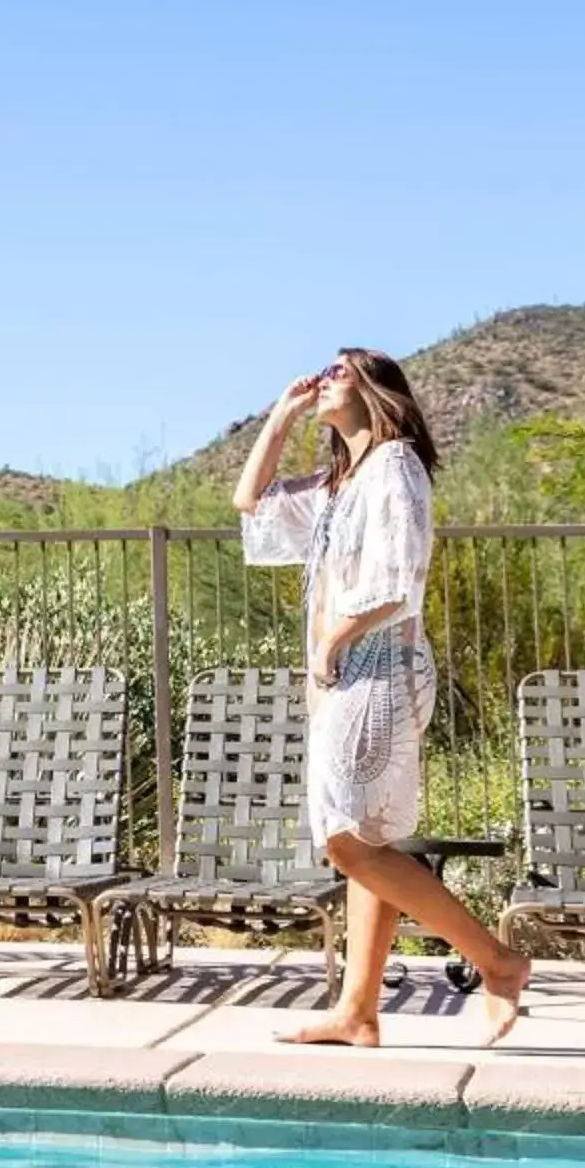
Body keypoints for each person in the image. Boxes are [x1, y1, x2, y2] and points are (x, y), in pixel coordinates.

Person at [233, 348, 528, 1047]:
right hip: (350, 673)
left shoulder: (395, 466)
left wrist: (337, 634)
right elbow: (251, 503)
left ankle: (497, 960)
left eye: (339, 371)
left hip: (378, 666)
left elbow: (402, 574)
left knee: (346, 842)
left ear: (373, 390)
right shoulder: (344, 483)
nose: (323, 377)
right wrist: (280, 417)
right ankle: (358, 1011)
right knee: (368, 839)